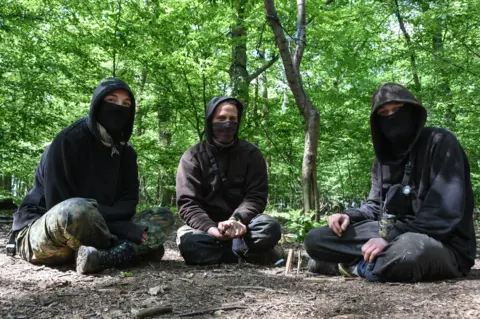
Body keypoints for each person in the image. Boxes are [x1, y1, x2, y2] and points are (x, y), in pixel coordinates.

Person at [304, 82, 476, 282]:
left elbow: (443, 214)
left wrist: (389, 238)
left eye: (397, 109)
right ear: (377, 122)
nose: (392, 117)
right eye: (384, 113)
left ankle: (351, 267)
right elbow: (376, 206)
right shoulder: (383, 158)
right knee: (316, 239)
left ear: (412, 111)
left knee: (409, 251)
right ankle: (373, 263)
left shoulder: (441, 142)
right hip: (392, 232)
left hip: (441, 243)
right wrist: (348, 216)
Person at [10, 78, 174, 274]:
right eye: (111, 101)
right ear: (96, 105)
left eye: (126, 104)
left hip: (98, 230)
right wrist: (123, 230)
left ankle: (101, 257)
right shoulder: (68, 141)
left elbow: (128, 203)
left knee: (162, 216)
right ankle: (127, 251)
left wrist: (122, 224)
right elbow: (59, 205)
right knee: (77, 210)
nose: (118, 108)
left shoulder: (126, 153)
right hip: (48, 230)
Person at [175, 96, 283, 265]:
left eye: (233, 119)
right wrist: (212, 229)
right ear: (211, 120)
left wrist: (236, 220)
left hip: (243, 224)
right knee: (191, 244)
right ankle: (243, 252)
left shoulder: (251, 154)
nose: (227, 123)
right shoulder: (193, 157)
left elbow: (256, 197)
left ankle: (233, 249)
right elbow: (188, 204)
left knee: (269, 228)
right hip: (206, 228)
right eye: (221, 118)